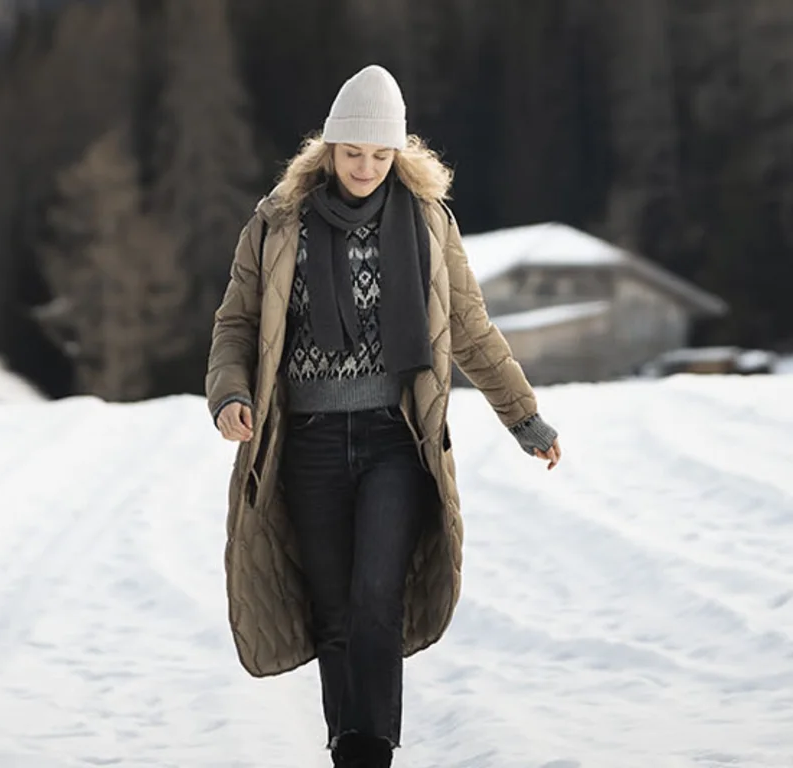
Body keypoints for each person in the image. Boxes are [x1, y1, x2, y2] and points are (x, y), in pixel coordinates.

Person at [203, 64, 563, 768]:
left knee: (376, 596)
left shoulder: (428, 223)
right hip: (305, 443)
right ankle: (351, 750)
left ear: (400, 153)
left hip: (395, 440)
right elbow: (237, 325)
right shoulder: (277, 225)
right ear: (328, 150)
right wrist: (230, 395)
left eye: (380, 154)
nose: (365, 167)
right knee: (333, 610)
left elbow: (471, 328)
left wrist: (525, 418)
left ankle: (371, 750)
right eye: (352, 152)